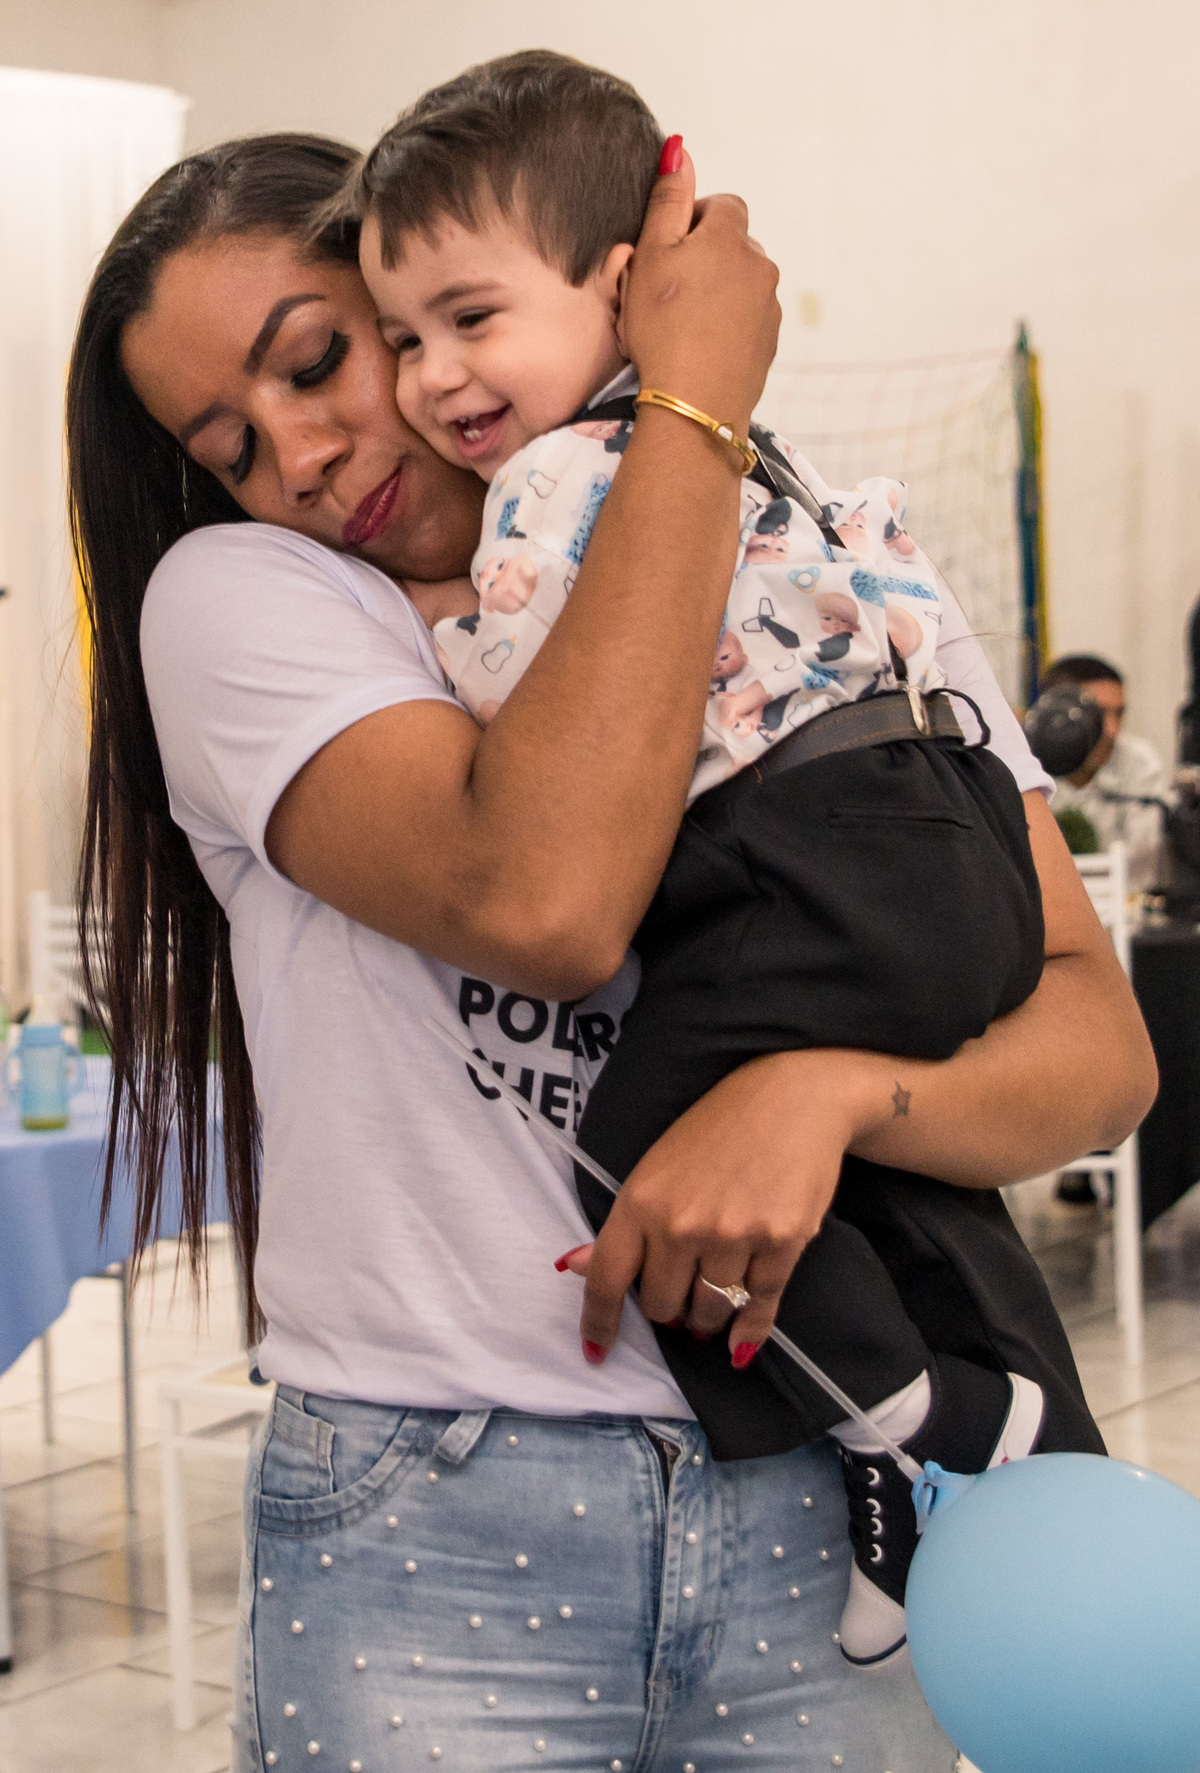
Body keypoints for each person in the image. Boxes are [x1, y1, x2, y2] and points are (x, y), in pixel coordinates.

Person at [67, 132, 1154, 1773]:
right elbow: (551, 897)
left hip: (825, 1505)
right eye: (229, 441)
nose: (295, 450)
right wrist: (697, 398)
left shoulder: (819, 569)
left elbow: (1098, 1047)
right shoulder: (246, 602)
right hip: (436, 1523)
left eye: (318, 358)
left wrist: (828, 1092)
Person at [350, 50, 1059, 1664]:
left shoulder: (554, 485)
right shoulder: (767, 454)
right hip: (946, 832)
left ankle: (922, 1423)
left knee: (632, 1160)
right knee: (863, 1176)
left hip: (801, 857)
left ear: (628, 289)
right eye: (403, 338)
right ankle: (1005, 1417)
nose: (431, 377)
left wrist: (428, 636)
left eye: (472, 318)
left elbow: (535, 754)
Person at [1043, 653, 1167, 890]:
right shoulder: (1023, 767)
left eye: (1118, 714)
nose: (1111, 729)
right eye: (1098, 714)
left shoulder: (1139, 762)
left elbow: (1141, 871)